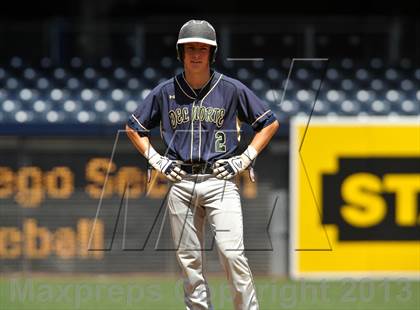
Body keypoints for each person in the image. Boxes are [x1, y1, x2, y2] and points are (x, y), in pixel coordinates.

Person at [126, 19, 279, 310]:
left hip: (220, 180)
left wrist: (245, 158)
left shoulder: (231, 89)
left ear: (212, 53)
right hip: (180, 182)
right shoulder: (165, 91)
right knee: (190, 261)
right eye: (190, 48)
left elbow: (269, 123)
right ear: (180, 53)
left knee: (232, 253)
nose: (196, 54)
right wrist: (156, 160)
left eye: (203, 48)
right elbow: (134, 128)